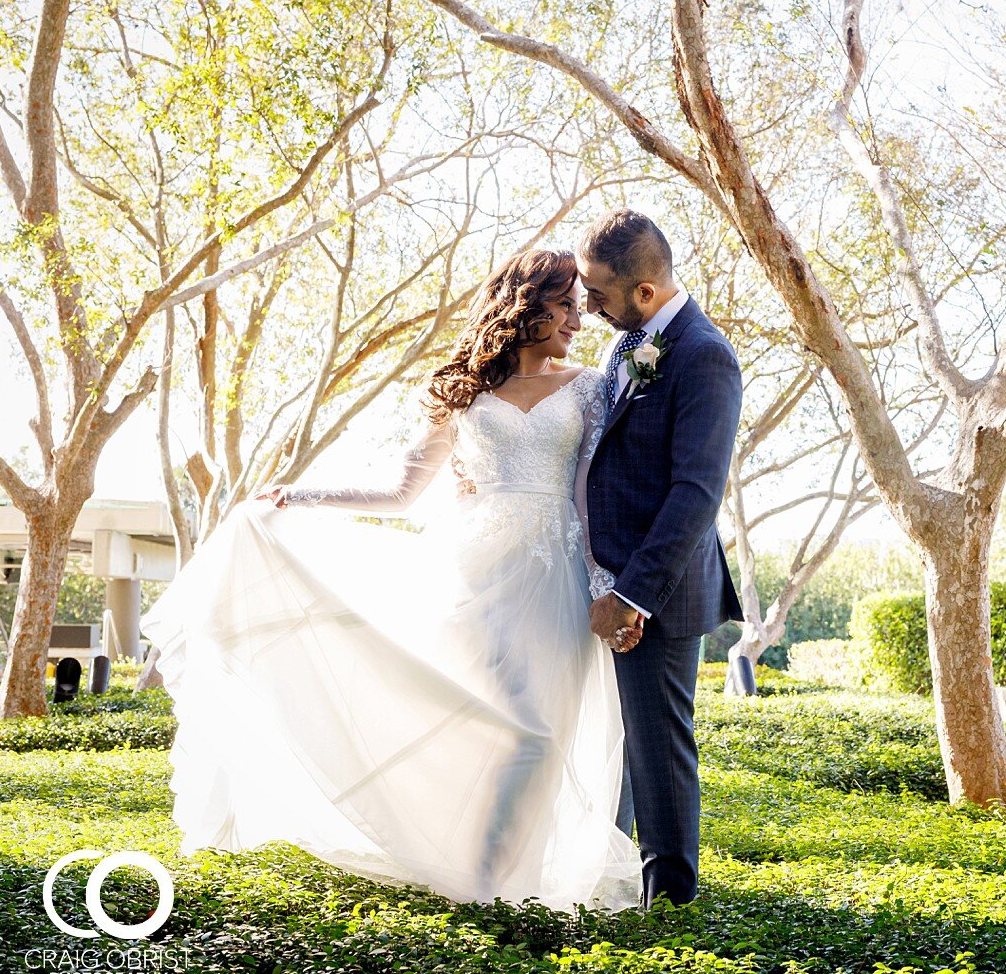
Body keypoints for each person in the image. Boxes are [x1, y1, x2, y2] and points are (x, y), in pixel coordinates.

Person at [140, 247, 644, 912]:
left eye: (581, 306)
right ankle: (484, 884)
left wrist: (611, 581)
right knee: (516, 731)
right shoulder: (464, 394)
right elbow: (402, 491)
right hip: (480, 575)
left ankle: (505, 884)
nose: (578, 319)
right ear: (530, 305)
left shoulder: (588, 386)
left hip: (560, 576)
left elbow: (594, 488)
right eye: (567, 305)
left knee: (541, 735)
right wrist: (302, 496)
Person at [454, 209, 744, 908]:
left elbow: (695, 495)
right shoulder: (631, 345)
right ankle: (604, 879)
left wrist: (633, 594)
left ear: (643, 292)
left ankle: (669, 902)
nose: (586, 306)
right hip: (596, 578)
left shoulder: (704, 355)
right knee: (606, 745)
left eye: (597, 292)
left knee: (655, 751)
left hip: (659, 589)